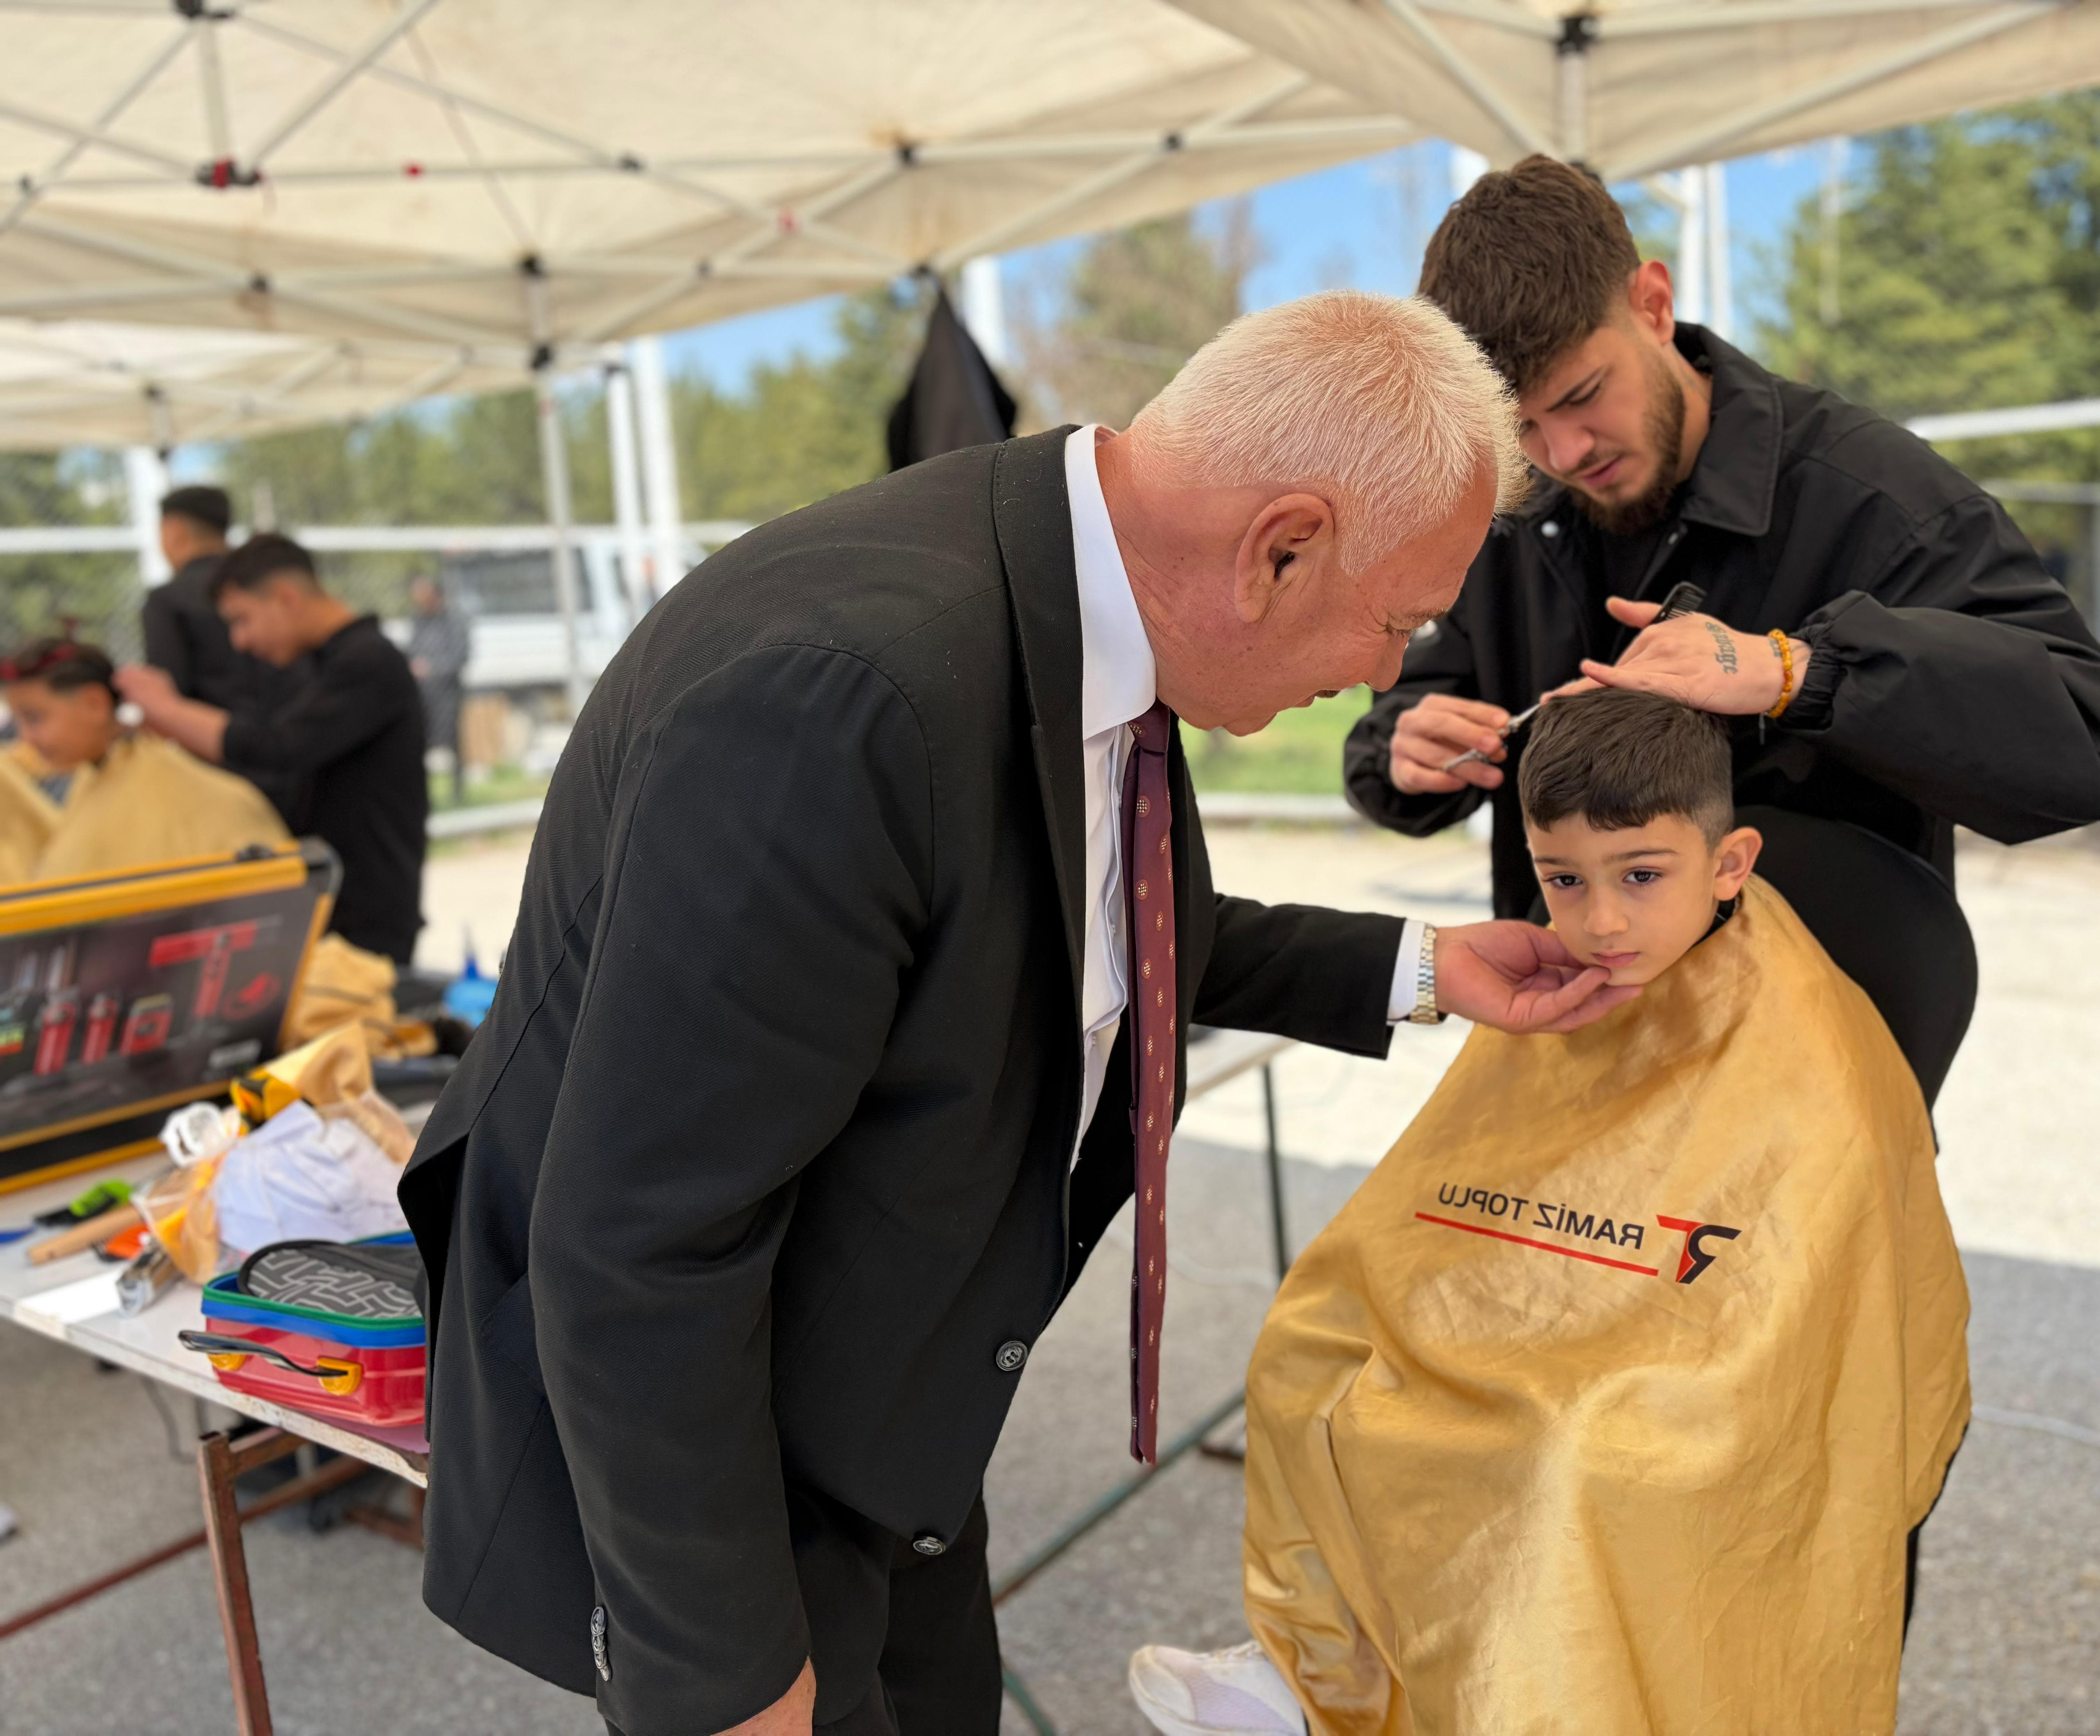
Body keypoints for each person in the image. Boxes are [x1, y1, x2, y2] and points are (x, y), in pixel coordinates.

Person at [395, 291, 1641, 1736]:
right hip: (729, 1462)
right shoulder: (842, 696)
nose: (1381, 672)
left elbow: (1081, 920)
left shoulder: (1074, 592)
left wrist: (1421, 964)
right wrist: (724, 1674)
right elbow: (638, 1242)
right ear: (1280, 547)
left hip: (880, 1406)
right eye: (1396, 621)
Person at [1134, 690, 1970, 1736]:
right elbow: (1463, 1174)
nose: (1600, 921)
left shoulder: (1815, 1042)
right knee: (1313, 1346)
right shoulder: (1562, 981)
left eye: (1639, 876)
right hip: (1554, 1299)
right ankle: (1318, 1671)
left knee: (1566, 1449)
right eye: (1563, 879)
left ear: (1730, 862)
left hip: (1710, 1361)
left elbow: (1814, 1275)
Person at [1342, 156, 2100, 1103]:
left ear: (1653, 306)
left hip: (1820, 1093)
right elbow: (1417, 700)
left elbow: (2080, 732)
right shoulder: (1513, 513)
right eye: (1520, 429)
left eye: (1580, 395)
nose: (1562, 453)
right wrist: (1402, 747)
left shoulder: (1872, 498)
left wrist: (1796, 673)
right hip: (1584, 1070)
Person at [116, 535, 427, 965]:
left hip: (369, 914)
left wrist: (170, 710)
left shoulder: (369, 662)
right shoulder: (317, 665)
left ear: (286, 599)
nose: (239, 641)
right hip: (323, 898)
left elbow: (280, 747)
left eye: (242, 619)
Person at [0, 636, 288, 883]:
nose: (26, 738)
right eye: (19, 722)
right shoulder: (91, 778)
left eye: (34, 718)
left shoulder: (184, 790)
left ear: (95, 704)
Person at [139, 485, 308, 818]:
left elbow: (168, 701)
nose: (240, 639)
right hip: (298, 766)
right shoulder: (265, 585)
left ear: (174, 531)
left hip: (220, 776)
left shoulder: (169, 600)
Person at [406, 576, 471, 806]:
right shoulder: (418, 622)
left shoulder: (454, 621)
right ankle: (423, 796)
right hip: (423, 695)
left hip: (448, 694)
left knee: (455, 744)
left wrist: (432, 669)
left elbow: (461, 657)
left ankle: (458, 794)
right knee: (418, 743)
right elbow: (412, 650)